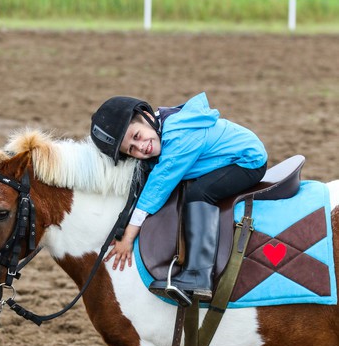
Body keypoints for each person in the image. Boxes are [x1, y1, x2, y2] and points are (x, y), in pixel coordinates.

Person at [90, 92, 267, 306]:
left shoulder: (178, 135)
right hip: (224, 157)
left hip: (247, 161)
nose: (141, 147)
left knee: (199, 194)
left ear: (147, 116)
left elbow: (159, 184)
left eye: (137, 136)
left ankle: (198, 274)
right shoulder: (160, 128)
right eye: (132, 149)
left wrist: (128, 236)